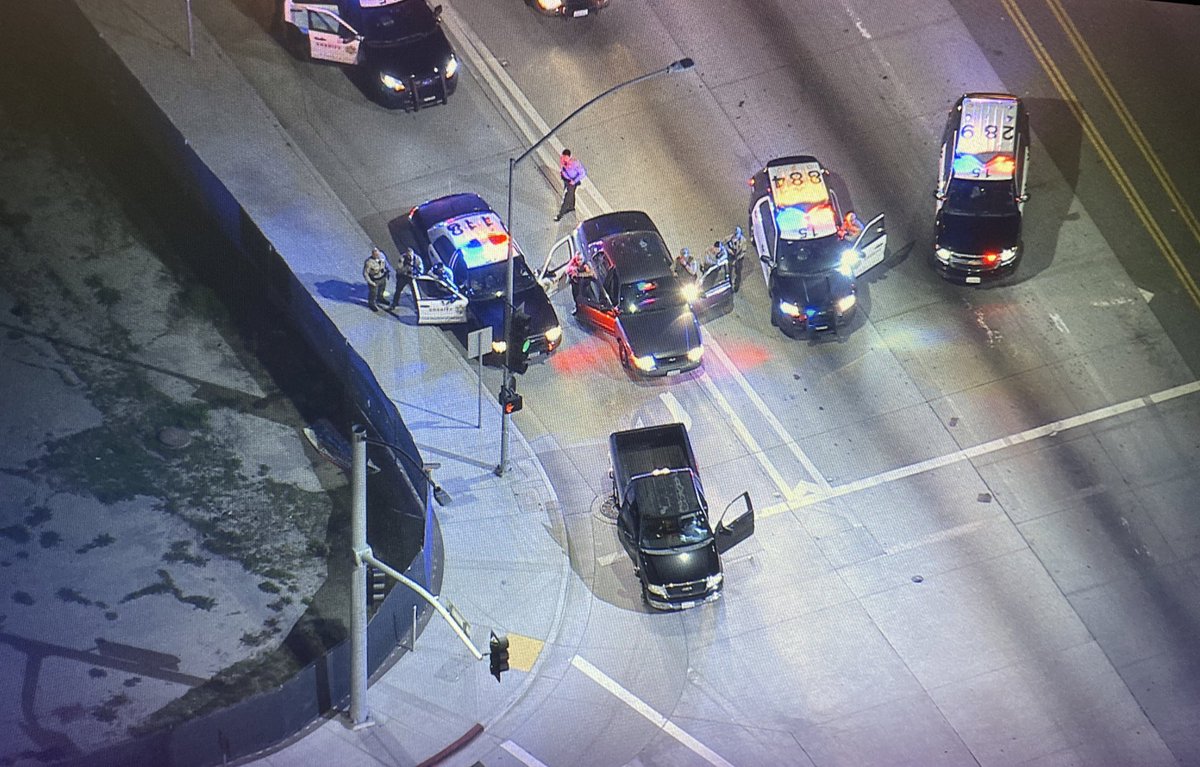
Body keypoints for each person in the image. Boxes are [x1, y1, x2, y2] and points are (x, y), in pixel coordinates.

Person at [555, 149, 587, 222]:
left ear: (569, 157)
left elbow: (583, 173)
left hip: (571, 183)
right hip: (565, 180)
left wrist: (574, 181)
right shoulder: (562, 159)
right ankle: (571, 207)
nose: (564, 160)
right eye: (563, 158)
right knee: (571, 195)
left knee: (567, 197)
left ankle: (560, 214)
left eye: (566, 158)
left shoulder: (575, 163)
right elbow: (563, 168)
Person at [388, 247, 418, 311]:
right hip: (403, 276)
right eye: (408, 255)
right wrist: (406, 268)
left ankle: (417, 306)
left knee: (415, 292)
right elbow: (399, 269)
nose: (409, 257)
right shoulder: (402, 258)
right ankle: (394, 303)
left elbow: (421, 269)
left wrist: (414, 272)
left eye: (410, 256)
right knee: (398, 290)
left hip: (412, 277)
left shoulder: (417, 259)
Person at [363, 246, 390, 312]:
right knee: (373, 293)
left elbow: (385, 263)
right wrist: (371, 282)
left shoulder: (382, 256)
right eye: (376, 255)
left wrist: (388, 271)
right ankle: (371, 303)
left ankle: (380, 298)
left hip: (382, 277)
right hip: (374, 279)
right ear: (373, 255)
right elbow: (365, 274)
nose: (378, 256)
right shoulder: (369, 263)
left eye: (378, 254)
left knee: (382, 289)